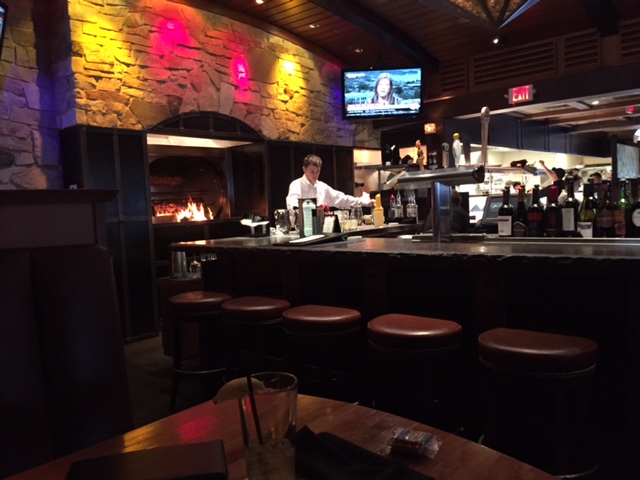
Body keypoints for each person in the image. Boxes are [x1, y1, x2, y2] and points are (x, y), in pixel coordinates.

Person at [286, 154, 375, 210]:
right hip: (300, 228)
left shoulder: (322, 187)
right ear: (304, 169)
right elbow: (292, 205)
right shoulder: (296, 185)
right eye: (312, 171)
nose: (315, 174)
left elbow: (342, 199)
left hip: (320, 227)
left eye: (317, 171)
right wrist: (312, 209)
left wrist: (366, 203)